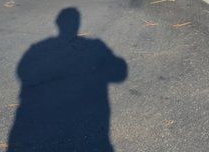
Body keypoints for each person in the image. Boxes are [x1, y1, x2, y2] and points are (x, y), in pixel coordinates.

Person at [7, 8, 127, 151]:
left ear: (58, 24)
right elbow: (120, 73)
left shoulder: (38, 48)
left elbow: (23, 72)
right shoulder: (95, 46)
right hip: (87, 121)